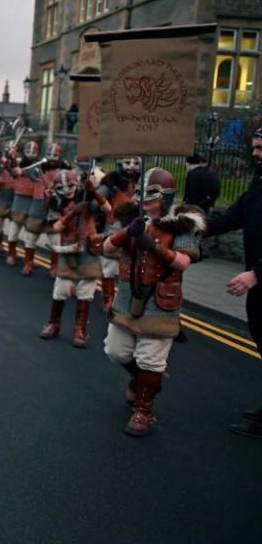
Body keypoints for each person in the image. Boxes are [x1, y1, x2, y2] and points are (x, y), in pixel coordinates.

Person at [102, 168, 203, 437]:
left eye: (153, 195)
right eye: (143, 194)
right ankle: (141, 379)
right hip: (127, 297)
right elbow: (106, 248)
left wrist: (153, 246)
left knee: (151, 360)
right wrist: (128, 233)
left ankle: (144, 410)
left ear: (166, 197)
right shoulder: (131, 217)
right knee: (116, 350)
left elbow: (183, 262)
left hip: (161, 301)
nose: (146, 200)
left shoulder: (183, 224)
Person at [202, 127, 262, 438]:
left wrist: (255, 274)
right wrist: (197, 226)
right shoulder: (258, 183)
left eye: (260, 148)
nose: (255, 153)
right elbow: (234, 216)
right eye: (254, 147)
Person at [39, 169, 110, 347]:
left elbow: (107, 209)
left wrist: (93, 192)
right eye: (61, 187)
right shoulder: (56, 202)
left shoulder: (87, 198)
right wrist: (72, 214)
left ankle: (80, 329)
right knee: (61, 290)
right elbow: (55, 227)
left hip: (88, 250)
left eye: (70, 185)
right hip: (68, 250)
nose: (66, 189)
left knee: (85, 293)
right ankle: (54, 323)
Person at [96, 157, 140, 311]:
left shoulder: (144, 181)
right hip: (115, 226)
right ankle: (109, 300)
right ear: (121, 163)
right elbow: (97, 201)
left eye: (135, 163)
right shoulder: (111, 182)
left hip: (137, 230)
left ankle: (128, 299)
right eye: (128, 163)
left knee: (133, 269)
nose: (132, 167)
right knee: (109, 269)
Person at [21, 142, 63, 276]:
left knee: (55, 241)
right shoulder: (38, 168)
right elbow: (24, 170)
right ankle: (28, 263)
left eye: (55, 155)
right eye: (49, 154)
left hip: (54, 209)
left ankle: (54, 266)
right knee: (30, 238)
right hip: (37, 206)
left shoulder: (64, 171)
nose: (51, 157)